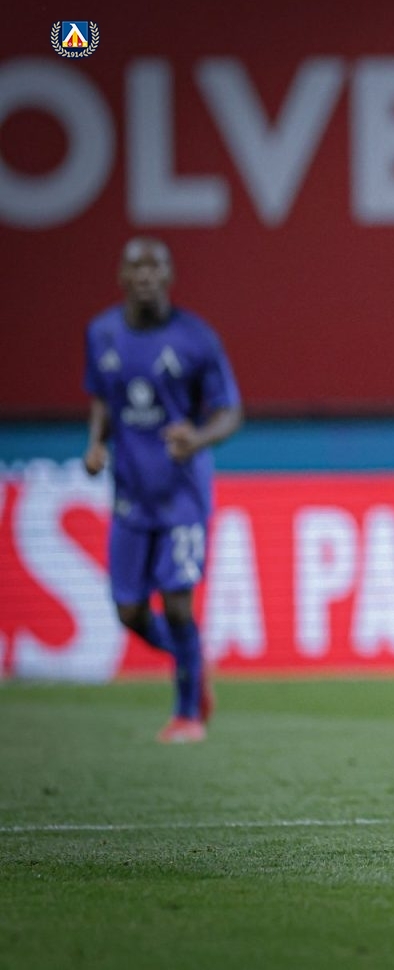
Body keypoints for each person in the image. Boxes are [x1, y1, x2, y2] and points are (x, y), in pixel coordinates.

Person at [83, 237, 242, 744]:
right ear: (122, 277)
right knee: (129, 612)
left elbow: (231, 412)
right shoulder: (102, 333)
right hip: (130, 494)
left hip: (181, 496)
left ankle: (187, 714)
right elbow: (103, 398)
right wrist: (96, 443)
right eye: (137, 267)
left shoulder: (196, 339)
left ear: (169, 277)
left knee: (177, 607)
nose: (147, 275)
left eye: (156, 267)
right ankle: (190, 660)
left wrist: (197, 438)